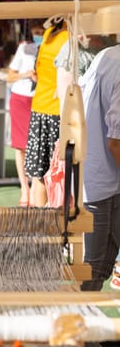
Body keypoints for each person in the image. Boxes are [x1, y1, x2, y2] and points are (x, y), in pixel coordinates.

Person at [76, 45, 120, 291]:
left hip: (95, 174)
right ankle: (79, 323)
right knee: (94, 270)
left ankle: (80, 321)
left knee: (94, 268)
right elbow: (116, 143)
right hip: (107, 182)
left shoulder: (107, 55)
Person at [23, 20, 68, 207]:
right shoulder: (69, 37)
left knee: (39, 174)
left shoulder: (49, 33)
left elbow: (39, 70)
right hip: (58, 111)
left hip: (40, 107)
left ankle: (38, 225)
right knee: (58, 174)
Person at [6, 19, 45, 206]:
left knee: (39, 145)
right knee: (20, 146)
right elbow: (9, 76)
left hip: (41, 99)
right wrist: (26, 74)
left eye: (41, 31)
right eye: (36, 31)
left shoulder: (51, 49)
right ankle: (24, 189)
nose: (38, 35)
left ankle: (39, 187)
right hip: (21, 98)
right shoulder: (24, 48)